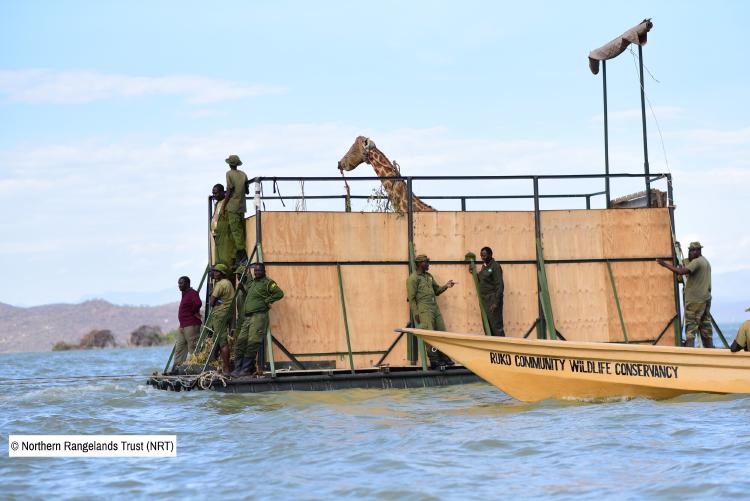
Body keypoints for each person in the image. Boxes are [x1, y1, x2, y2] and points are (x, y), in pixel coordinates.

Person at [231, 263, 284, 377]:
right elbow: (248, 277)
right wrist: (246, 267)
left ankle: (246, 370)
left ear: (264, 271)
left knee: (252, 343)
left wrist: (267, 300)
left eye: (259, 271)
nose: (257, 272)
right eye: (255, 271)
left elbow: (279, 293)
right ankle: (238, 368)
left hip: (258, 317)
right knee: (240, 342)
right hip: (248, 318)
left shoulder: (268, 283)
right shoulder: (253, 282)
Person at [657, 241, 713, 347]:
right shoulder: (705, 262)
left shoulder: (697, 262)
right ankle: (710, 351)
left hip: (695, 302)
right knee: (705, 328)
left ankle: (689, 352)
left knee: (690, 329)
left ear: (697, 251)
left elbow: (681, 272)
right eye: (689, 251)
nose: (690, 253)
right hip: (705, 299)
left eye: (691, 251)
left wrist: (664, 264)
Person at [406, 254, 457, 369]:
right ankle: (434, 360)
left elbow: (437, 290)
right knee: (430, 335)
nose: (428, 264)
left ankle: (444, 357)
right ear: (420, 264)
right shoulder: (413, 279)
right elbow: (412, 298)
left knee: (441, 333)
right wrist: (416, 313)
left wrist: (446, 286)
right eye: (426, 262)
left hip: (435, 308)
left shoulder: (429, 276)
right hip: (424, 310)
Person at [206, 264, 236, 376]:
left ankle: (227, 369)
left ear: (221, 273)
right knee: (217, 341)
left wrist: (216, 300)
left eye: (216, 271)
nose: (213, 273)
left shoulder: (219, 285)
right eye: (213, 271)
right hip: (227, 314)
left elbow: (212, 302)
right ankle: (215, 365)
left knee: (222, 342)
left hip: (220, 315)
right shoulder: (228, 283)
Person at [173, 276, 202, 370]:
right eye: (178, 283)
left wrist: (193, 312)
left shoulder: (193, 293)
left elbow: (198, 303)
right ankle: (178, 368)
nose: (179, 285)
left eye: (181, 283)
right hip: (183, 325)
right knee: (179, 347)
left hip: (191, 324)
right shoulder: (185, 294)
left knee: (193, 347)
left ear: (187, 283)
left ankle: (197, 368)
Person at [224, 154, 249, 266]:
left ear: (230, 164)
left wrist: (224, 205)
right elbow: (247, 191)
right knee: (241, 231)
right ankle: (240, 256)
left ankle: (242, 257)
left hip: (232, 206)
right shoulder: (243, 174)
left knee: (235, 231)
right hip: (242, 206)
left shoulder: (229, 174)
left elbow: (229, 190)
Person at [477, 246, 505, 336]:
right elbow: (483, 279)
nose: (482, 257)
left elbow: (500, 285)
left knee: (496, 326)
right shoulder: (484, 267)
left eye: (484, 255)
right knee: (487, 326)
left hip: (493, 300)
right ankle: (493, 349)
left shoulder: (495, 266)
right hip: (485, 301)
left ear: (490, 255)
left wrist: (496, 303)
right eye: (481, 255)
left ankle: (503, 349)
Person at [211, 183, 235, 269]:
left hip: (226, 235)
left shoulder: (228, 202)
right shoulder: (217, 203)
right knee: (218, 261)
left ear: (222, 192)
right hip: (217, 236)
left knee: (226, 261)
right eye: (213, 193)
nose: (214, 195)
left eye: (216, 193)